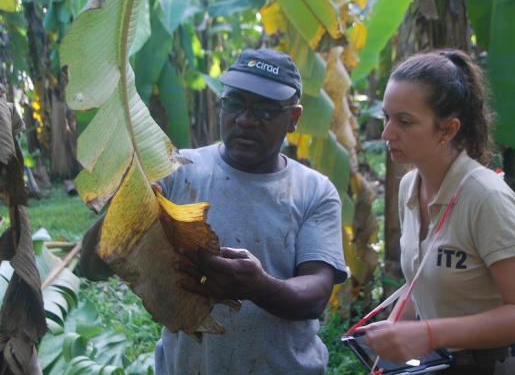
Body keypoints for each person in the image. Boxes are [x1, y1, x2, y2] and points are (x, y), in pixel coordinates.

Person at [80, 48, 347, 374]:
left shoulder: (314, 192)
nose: (245, 120)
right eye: (235, 103)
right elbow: (92, 267)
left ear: (293, 119)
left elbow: (316, 295)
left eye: (264, 110)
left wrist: (258, 286)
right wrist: (125, 206)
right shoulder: (175, 172)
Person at [358, 49, 515, 374]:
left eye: (404, 121)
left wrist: (428, 333)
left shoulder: (486, 198)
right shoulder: (410, 186)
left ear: (447, 130)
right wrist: (392, 337)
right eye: (387, 116)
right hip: (443, 362)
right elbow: (421, 283)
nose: (387, 133)